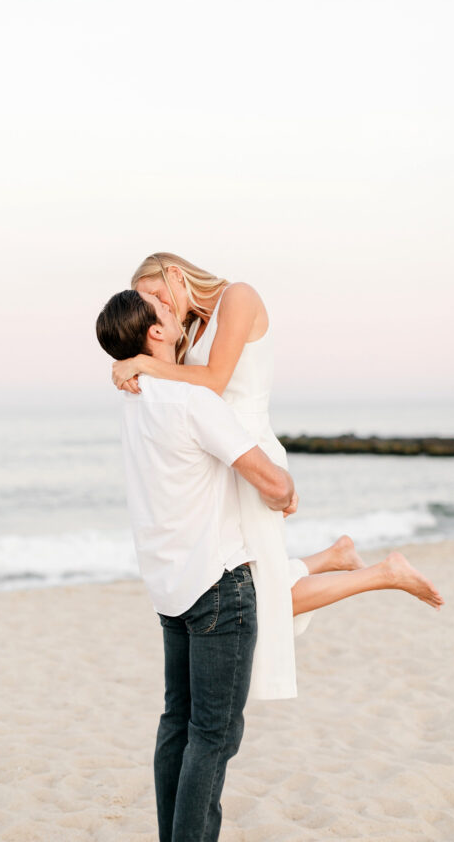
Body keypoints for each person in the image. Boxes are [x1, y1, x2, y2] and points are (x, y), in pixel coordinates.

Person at [111, 252, 444, 700]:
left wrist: (145, 364)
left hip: (251, 455)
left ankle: (385, 573)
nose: (156, 308)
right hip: (220, 457)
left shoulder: (239, 297)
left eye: (153, 294)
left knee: (259, 598)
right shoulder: (194, 329)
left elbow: (213, 381)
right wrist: (134, 364)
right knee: (249, 580)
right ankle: (335, 555)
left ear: (175, 274)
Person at [96, 287, 298, 842]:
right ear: (155, 334)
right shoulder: (192, 402)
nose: (172, 308)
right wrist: (285, 491)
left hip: (169, 591)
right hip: (216, 587)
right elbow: (271, 481)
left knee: (177, 725)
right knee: (213, 736)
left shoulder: (134, 401)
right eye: (162, 308)